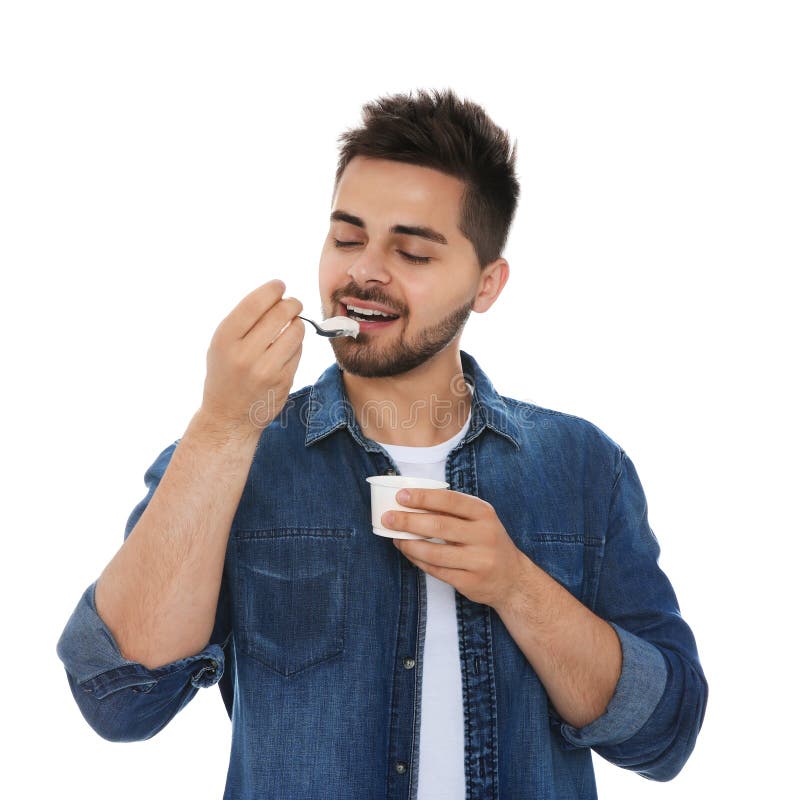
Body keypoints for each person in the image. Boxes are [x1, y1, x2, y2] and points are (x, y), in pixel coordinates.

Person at [56, 88, 707, 799]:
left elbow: (664, 736)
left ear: (486, 285)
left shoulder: (585, 467)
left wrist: (516, 588)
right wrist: (220, 426)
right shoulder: (236, 453)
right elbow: (117, 701)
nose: (364, 271)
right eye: (346, 238)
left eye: (413, 251)